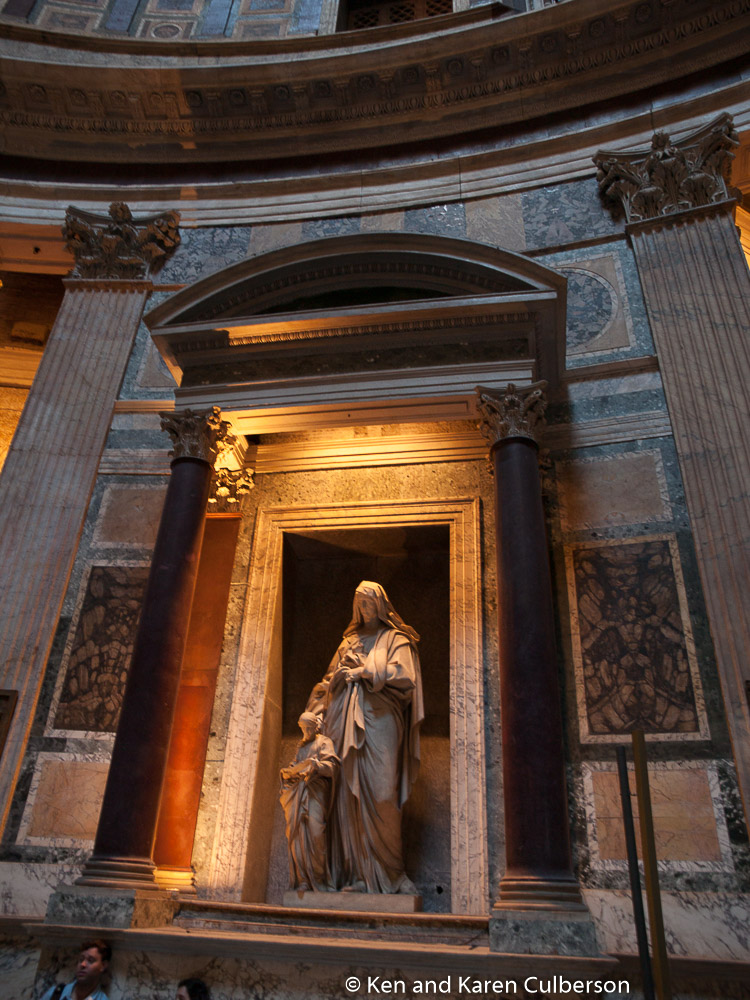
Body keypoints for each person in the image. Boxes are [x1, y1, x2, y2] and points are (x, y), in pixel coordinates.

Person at [306, 580, 423, 894]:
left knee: (382, 794)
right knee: (347, 795)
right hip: (342, 721)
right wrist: (317, 711)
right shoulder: (348, 642)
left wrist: (365, 671)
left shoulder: (396, 639)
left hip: (381, 721)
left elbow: (406, 676)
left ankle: (392, 874)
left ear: (381, 605)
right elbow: (326, 683)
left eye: (369, 601)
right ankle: (358, 875)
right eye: (360, 602)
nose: (365, 607)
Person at [280, 711, 339, 891]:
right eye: (302, 729)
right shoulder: (302, 746)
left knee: (316, 833)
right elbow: (295, 765)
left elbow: (332, 767)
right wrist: (289, 772)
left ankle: (319, 879)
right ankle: (303, 879)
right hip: (299, 794)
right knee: (297, 835)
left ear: (315, 727)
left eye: (308, 728)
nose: (305, 732)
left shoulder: (324, 742)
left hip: (315, 793)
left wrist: (316, 765)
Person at [40, 939, 110, 1000]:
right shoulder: (56, 994)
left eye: (90, 960)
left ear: (103, 965)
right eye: (81, 960)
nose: (83, 964)